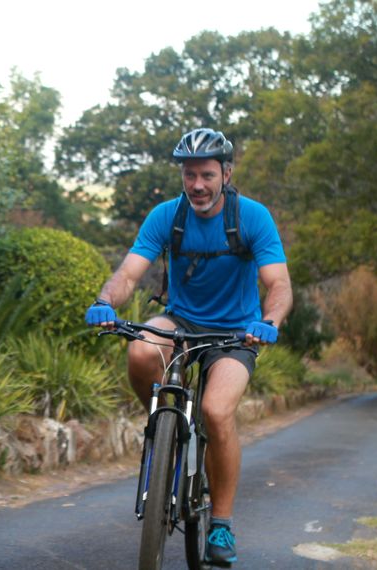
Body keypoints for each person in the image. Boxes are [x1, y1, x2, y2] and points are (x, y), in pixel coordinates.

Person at [85, 127, 292, 566]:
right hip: (180, 320)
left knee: (217, 412)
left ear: (226, 174)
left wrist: (269, 320)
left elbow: (278, 285)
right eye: (189, 174)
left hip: (237, 332)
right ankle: (165, 423)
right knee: (141, 349)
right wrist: (105, 302)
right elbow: (127, 275)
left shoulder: (252, 217)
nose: (197, 184)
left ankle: (221, 521)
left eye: (207, 175)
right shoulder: (167, 216)